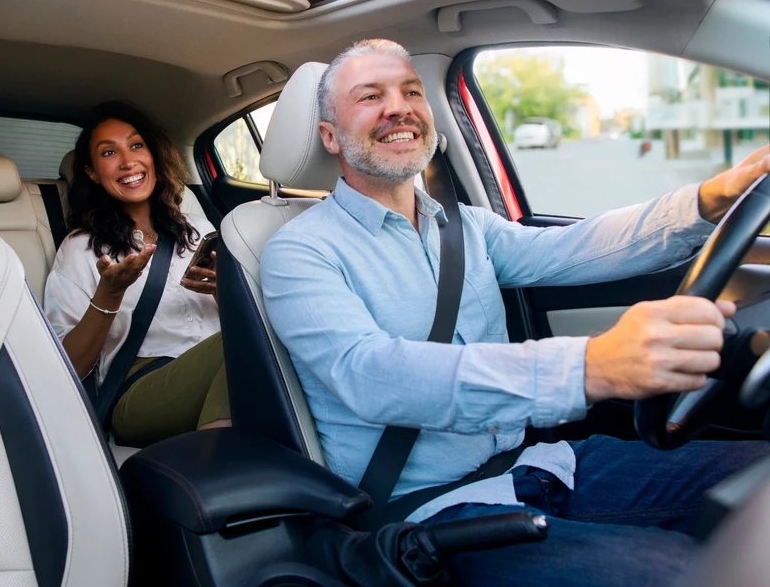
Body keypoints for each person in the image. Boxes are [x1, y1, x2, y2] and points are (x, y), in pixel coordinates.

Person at [259, 39, 770, 585]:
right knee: (681, 572)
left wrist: (708, 199)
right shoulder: (300, 250)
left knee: (757, 485)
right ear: (330, 136)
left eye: (411, 91)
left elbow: (574, 247)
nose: (399, 108)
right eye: (370, 96)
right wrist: (591, 365)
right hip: (430, 511)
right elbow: (372, 374)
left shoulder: (465, 226)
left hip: (542, 464)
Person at [45, 101, 229, 448]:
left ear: (153, 156)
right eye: (109, 152)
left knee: (253, 341)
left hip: (220, 372)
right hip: (140, 389)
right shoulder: (82, 248)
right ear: (92, 172)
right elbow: (67, 365)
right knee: (241, 343)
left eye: (136, 145)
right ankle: (218, 468)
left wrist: (223, 292)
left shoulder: (199, 229)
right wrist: (109, 294)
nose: (128, 161)